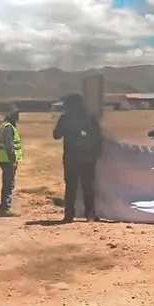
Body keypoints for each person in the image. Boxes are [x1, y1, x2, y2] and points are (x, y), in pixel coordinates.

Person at [53, 93, 104, 223]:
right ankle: (90, 215)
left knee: (71, 187)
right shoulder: (89, 118)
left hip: (71, 158)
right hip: (88, 158)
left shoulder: (65, 118)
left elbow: (56, 135)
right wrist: (96, 154)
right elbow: (98, 137)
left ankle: (69, 215)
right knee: (88, 186)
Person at [0, 104, 23, 217]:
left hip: (5, 160)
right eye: (16, 114)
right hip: (8, 160)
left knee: (8, 183)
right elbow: (9, 146)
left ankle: (4, 207)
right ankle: (5, 207)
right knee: (8, 183)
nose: (17, 116)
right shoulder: (8, 127)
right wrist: (13, 160)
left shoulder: (7, 125)